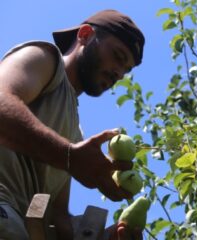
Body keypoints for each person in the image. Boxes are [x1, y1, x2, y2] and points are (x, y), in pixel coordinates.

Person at [0, 9, 145, 240]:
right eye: (118, 56)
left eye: (126, 70)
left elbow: (55, 217)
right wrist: (68, 156)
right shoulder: (45, 59)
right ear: (85, 35)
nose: (119, 73)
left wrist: (106, 237)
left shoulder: (74, 133)